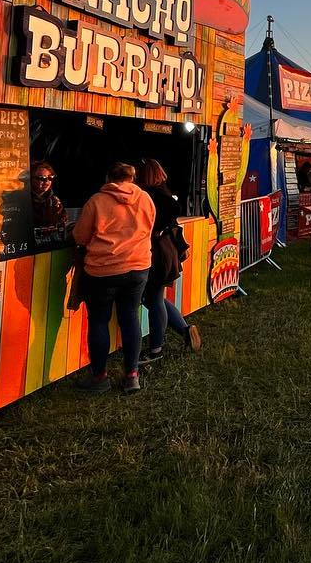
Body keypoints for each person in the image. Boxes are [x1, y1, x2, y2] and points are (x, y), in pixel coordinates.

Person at [73, 162, 156, 394]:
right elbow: (149, 229)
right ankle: (132, 375)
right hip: (138, 268)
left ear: (108, 177)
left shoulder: (96, 201)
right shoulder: (146, 199)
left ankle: (100, 377)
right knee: (130, 318)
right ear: (133, 177)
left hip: (103, 271)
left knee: (99, 321)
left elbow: (80, 236)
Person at [136, 159, 202, 366]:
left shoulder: (153, 195)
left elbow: (173, 208)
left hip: (157, 254)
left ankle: (156, 349)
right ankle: (184, 329)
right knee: (154, 298)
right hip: (165, 253)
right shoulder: (163, 191)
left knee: (153, 300)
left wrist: (158, 229)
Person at [30, 161, 67, 240]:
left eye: (50, 178)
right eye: (41, 178)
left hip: (49, 245)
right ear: (30, 179)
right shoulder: (23, 200)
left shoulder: (55, 201)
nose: (46, 182)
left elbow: (62, 222)